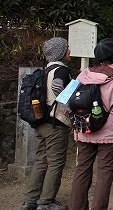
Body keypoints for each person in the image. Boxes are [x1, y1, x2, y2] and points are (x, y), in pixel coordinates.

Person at [70, 38, 113, 210]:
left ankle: (77, 207)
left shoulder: (83, 75)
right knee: (105, 173)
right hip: (108, 132)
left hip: (84, 128)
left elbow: (70, 100)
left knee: (82, 169)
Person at [20, 37, 73, 210]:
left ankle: (30, 200)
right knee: (55, 162)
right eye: (67, 49)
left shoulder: (45, 70)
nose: (69, 52)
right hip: (55, 124)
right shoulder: (61, 71)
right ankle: (46, 202)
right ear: (60, 53)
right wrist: (67, 104)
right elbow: (58, 87)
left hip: (41, 122)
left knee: (41, 161)